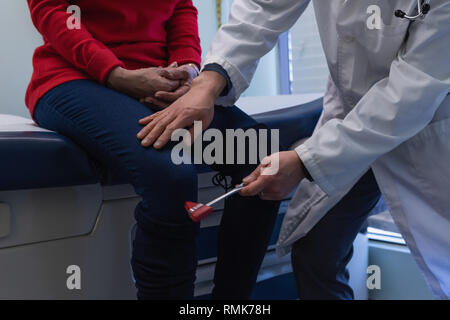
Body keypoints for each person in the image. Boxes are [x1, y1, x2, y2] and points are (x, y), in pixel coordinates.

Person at [141, 0, 450, 299]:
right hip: (350, 120)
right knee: (317, 249)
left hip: (427, 130)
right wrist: (207, 84)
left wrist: (305, 162)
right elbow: (262, 8)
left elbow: (413, 91)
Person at [26, 0, 287, 300]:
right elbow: (53, 11)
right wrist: (116, 74)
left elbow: (181, 9)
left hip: (161, 81)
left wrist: (187, 71)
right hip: (76, 79)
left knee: (262, 155)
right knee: (171, 175)